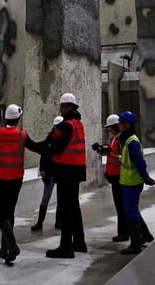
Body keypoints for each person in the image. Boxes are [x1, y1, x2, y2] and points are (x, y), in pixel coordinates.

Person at [0, 103, 47, 265]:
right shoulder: (22, 136)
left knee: (0, 214)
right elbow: (36, 147)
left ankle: (12, 246)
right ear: (18, 119)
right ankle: (5, 250)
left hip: (1, 178)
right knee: (9, 213)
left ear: (5, 117)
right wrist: (50, 141)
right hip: (15, 180)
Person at [45, 93, 88, 258]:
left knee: (65, 209)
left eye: (63, 106)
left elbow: (55, 147)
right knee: (73, 207)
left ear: (70, 107)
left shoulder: (67, 125)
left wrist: (45, 151)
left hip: (66, 171)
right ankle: (79, 242)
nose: (60, 109)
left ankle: (66, 247)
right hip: (75, 170)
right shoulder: (78, 124)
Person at [117, 110, 155, 255]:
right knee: (132, 210)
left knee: (130, 211)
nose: (119, 125)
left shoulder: (131, 142)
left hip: (132, 182)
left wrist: (146, 177)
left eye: (121, 122)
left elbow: (139, 162)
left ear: (127, 124)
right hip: (129, 181)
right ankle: (145, 236)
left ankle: (135, 243)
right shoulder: (127, 139)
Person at [92, 114, 129, 242]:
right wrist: (102, 151)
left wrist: (110, 154)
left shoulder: (121, 140)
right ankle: (124, 231)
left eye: (110, 128)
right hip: (114, 177)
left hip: (120, 177)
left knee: (122, 206)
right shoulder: (115, 139)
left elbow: (123, 158)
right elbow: (112, 155)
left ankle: (124, 233)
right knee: (120, 206)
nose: (109, 130)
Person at [31, 115, 64, 232]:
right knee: (46, 198)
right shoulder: (50, 138)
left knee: (61, 199)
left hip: (60, 172)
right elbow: (44, 155)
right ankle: (40, 223)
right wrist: (42, 169)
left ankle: (58, 222)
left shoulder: (65, 139)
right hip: (50, 172)